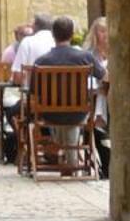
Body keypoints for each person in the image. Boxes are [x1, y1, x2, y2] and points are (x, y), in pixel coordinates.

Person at [29, 14, 98, 174]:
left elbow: (33, 90)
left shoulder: (42, 61)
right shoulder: (85, 57)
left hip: (50, 115)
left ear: (53, 35)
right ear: (72, 35)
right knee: (72, 119)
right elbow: (103, 76)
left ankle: (64, 155)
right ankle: (71, 162)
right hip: (78, 113)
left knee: (59, 116)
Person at [2, 14, 54, 164]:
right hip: (64, 105)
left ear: (36, 27)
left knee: (12, 112)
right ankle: (49, 146)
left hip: (36, 104)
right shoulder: (58, 42)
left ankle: (28, 147)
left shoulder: (28, 42)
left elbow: (17, 77)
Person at [84, 15, 110, 178]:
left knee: (103, 98)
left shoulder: (115, 52)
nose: (105, 35)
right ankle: (100, 126)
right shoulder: (88, 54)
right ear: (95, 34)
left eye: (107, 31)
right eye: (101, 31)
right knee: (100, 97)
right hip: (94, 95)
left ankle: (100, 125)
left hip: (108, 96)